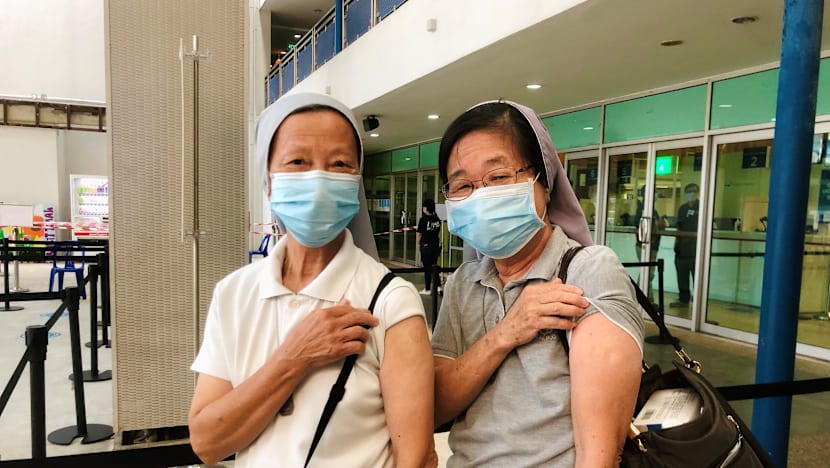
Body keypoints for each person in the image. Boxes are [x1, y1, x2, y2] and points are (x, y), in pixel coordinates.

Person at [188, 93, 435, 468]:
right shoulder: (234, 294)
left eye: (339, 164)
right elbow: (208, 443)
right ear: (268, 180)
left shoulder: (391, 301)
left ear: (356, 180)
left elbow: (415, 458)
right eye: (298, 162)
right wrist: (295, 357)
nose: (318, 180)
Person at [432, 100, 644, 467]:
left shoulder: (589, 271)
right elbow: (435, 406)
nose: (481, 197)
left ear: (544, 183)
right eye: (463, 185)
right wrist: (506, 333)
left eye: (498, 177)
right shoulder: (463, 284)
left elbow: (600, 455)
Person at [633, 186, 667, 305]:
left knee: (648, 272)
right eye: (654, 193)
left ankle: (646, 299)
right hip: (646, 245)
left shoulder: (651, 209)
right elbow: (640, 225)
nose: (656, 196)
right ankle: (642, 299)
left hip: (651, 245)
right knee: (647, 273)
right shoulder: (643, 208)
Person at [671, 182, 700, 308]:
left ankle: (698, 300)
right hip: (682, 249)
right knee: (682, 274)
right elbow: (679, 225)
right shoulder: (682, 208)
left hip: (695, 249)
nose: (691, 194)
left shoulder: (702, 207)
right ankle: (683, 299)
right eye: (689, 192)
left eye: (694, 191)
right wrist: (677, 243)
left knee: (697, 275)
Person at [416, 198, 441, 295]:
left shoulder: (423, 219)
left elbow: (419, 233)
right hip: (435, 245)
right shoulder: (437, 218)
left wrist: (418, 243)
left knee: (427, 267)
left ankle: (427, 288)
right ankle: (438, 286)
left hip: (426, 246)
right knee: (434, 266)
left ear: (426, 208)